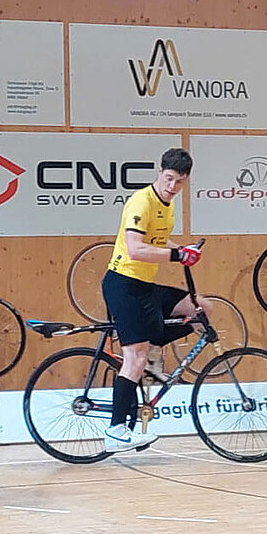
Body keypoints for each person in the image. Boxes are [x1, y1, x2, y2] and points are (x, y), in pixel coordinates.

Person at [100, 148, 210, 453]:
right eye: (168, 178)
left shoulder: (168, 206)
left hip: (144, 286)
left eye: (179, 182)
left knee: (202, 308)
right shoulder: (142, 202)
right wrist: (177, 255)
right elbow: (135, 249)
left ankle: (154, 349)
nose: (172, 186)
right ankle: (116, 431)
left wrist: (184, 249)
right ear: (159, 173)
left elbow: (158, 242)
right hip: (123, 285)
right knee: (135, 357)